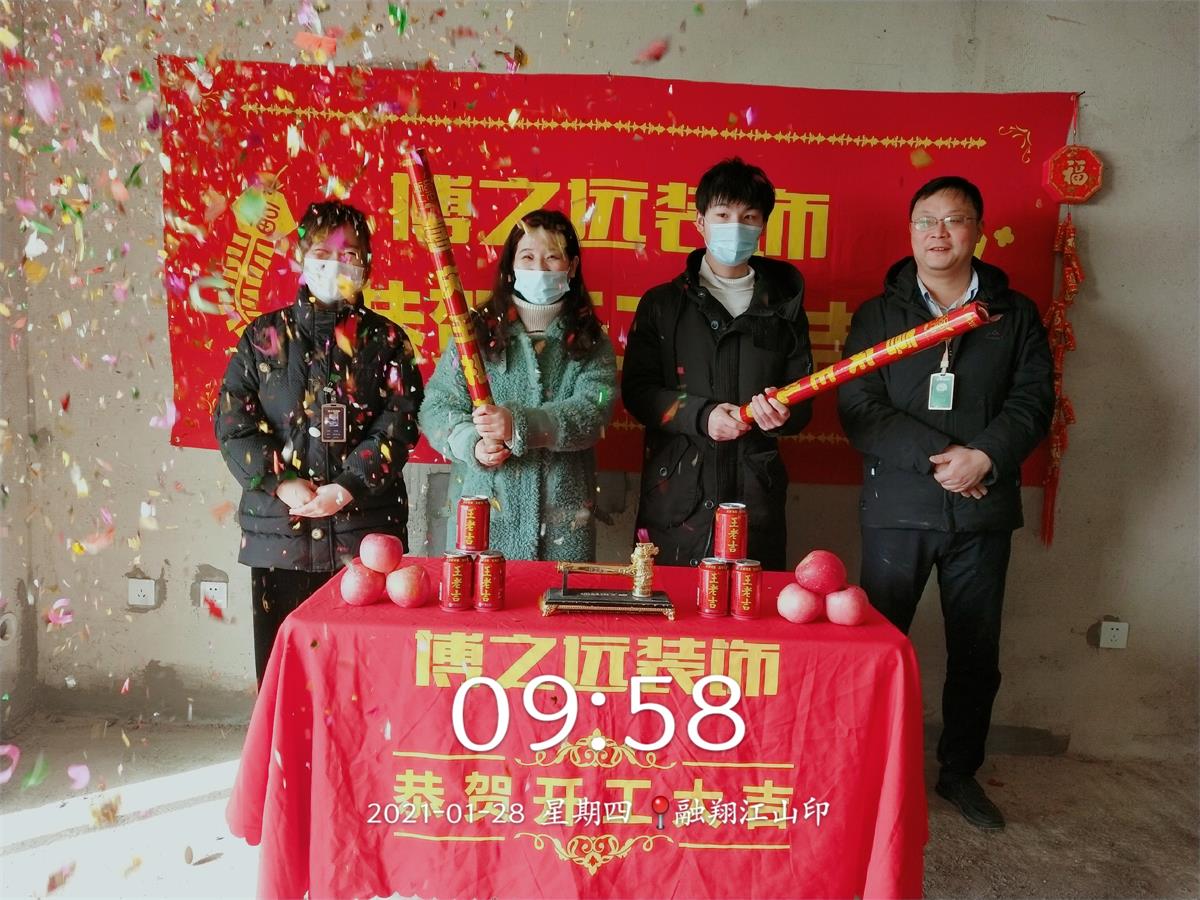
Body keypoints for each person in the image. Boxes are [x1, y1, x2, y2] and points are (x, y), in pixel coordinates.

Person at [837, 175, 1054, 830]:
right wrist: (943, 458)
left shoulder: (1013, 315)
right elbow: (859, 406)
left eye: (954, 220)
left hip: (981, 508)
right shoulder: (878, 316)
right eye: (925, 220)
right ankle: (867, 771)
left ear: (977, 231)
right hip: (899, 506)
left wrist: (983, 456)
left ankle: (959, 772)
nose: (939, 233)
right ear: (910, 232)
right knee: (879, 648)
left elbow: (1033, 401)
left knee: (975, 653)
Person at [215, 200, 423, 683]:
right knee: (285, 676)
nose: (335, 266)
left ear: (367, 264)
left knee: (362, 679)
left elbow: (400, 422)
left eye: (348, 255)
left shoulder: (388, 341)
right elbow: (233, 422)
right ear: (300, 259)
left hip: (365, 537)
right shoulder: (263, 336)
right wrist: (281, 481)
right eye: (322, 253)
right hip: (279, 538)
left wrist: (349, 485)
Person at [621, 157, 813, 571]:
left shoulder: (784, 308)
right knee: (671, 607)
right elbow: (638, 392)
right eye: (723, 215)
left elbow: (803, 402)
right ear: (700, 222)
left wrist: (781, 415)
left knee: (751, 605)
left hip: (754, 495)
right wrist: (700, 415)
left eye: (749, 217)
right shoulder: (662, 304)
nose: (735, 227)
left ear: (762, 227)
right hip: (676, 496)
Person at [419, 209, 616, 561]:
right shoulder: (475, 334)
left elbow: (593, 413)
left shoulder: (591, 341)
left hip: (563, 525)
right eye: (527, 257)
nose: (539, 268)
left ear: (571, 266)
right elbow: (436, 407)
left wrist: (520, 425)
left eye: (552, 257)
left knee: (558, 595)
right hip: (483, 518)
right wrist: (471, 443)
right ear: (510, 266)